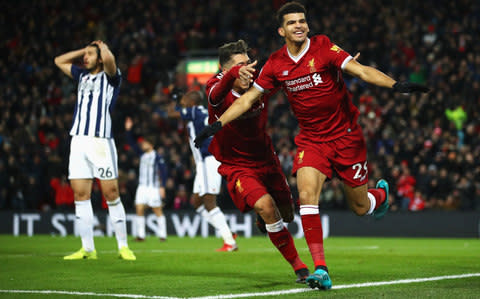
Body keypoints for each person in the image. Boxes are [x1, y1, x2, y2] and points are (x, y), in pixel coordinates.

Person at [194, 1, 429, 290]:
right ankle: (320, 269)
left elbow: (361, 70)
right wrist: (217, 125)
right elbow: (245, 99)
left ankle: (377, 198)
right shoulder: (275, 64)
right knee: (306, 194)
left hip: (345, 136)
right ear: (281, 30)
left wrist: (396, 85)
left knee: (359, 207)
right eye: (292, 22)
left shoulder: (324, 48)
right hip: (311, 140)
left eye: (302, 21)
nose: (299, 25)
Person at [206, 39, 310, 283]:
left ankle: (262, 218)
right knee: (266, 207)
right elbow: (215, 93)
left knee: (288, 215)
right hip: (237, 166)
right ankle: (299, 266)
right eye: (239, 66)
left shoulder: (258, 84)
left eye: (247, 64)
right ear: (225, 70)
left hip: (267, 160)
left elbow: (290, 75)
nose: (246, 71)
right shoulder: (215, 89)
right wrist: (233, 73)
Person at [54, 40, 136, 260]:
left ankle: (123, 246)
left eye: (91, 55)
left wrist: (103, 49)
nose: (85, 58)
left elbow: (109, 61)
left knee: (111, 194)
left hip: (100, 142)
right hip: (78, 141)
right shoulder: (81, 75)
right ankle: (88, 249)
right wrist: (85, 49)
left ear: (100, 58)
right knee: (80, 195)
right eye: (85, 55)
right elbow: (58, 60)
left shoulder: (111, 77)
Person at [166, 91, 238, 252]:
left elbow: (171, 113)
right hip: (203, 162)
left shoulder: (194, 110)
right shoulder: (200, 112)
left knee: (209, 201)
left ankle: (229, 242)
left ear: (192, 101)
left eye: (185, 99)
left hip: (208, 160)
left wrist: (175, 98)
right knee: (197, 203)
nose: (183, 102)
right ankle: (228, 232)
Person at [125, 117, 168, 241]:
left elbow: (164, 172)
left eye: (145, 143)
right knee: (139, 208)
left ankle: (163, 235)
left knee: (157, 210)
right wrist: (128, 130)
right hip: (142, 186)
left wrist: (162, 186)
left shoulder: (157, 157)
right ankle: (141, 235)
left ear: (151, 144)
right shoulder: (141, 154)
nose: (142, 144)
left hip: (153, 187)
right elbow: (131, 143)